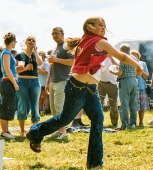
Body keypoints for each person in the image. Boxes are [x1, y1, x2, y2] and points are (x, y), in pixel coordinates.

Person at [27, 17, 143, 169]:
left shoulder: (86, 41)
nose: (103, 28)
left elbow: (85, 62)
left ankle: (95, 162)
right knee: (64, 119)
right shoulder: (97, 41)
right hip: (77, 87)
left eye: (104, 25)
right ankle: (35, 133)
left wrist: (98, 69)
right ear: (90, 27)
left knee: (98, 120)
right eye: (100, 25)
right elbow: (121, 56)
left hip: (90, 89)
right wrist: (137, 65)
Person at [45, 27, 74, 140]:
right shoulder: (54, 48)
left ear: (62, 34)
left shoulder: (67, 46)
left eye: (56, 33)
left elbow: (73, 61)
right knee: (53, 108)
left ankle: (63, 132)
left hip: (62, 80)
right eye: (52, 33)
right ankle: (58, 130)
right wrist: (47, 83)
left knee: (59, 107)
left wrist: (57, 60)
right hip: (53, 81)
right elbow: (51, 67)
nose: (54, 35)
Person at [15, 36, 43, 137]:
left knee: (35, 105)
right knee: (22, 105)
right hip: (22, 81)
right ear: (25, 42)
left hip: (35, 82)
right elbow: (16, 70)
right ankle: (22, 131)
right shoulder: (20, 55)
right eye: (29, 40)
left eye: (33, 40)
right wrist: (25, 68)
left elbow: (40, 63)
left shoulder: (36, 55)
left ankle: (35, 130)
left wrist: (36, 51)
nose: (31, 41)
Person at [110, 43, 138, 130]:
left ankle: (124, 124)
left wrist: (112, 71)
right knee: (133, 104)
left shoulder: (123, 59)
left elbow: (120, 73)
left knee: (124, 104)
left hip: (125, 81)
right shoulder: (134, 58)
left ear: (122, 50)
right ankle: (133, 123)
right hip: (134, 80)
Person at [0, 32, 19, 139]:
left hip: (8, 81)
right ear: (12, 41)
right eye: (15, 41)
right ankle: (5, 132)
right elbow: (7, 69)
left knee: (8, 105)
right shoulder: (7, 53)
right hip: (8, 82)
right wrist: (14, 83)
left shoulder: (6, 52)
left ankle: (5, 131)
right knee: (6, 106)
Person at [97, 56, 119, 128]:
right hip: (101, 83)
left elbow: (118, 66)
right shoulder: (100, 58)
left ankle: (115, 122)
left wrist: (111, 58)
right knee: (99, 103)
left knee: (113, 104)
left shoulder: (115, 59)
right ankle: (98, 121)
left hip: (112, 84)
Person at [131, 49, 150, 127]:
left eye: (135, 57)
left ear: (138, 57)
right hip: (132, 86)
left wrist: (140, 70)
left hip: (141, 86)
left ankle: (141, 122)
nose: (133, 58)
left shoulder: (143, 64)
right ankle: (133, 122)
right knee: (133, 105)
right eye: (132, 57)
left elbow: (147, 76)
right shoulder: (128, 64)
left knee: (142, 106)